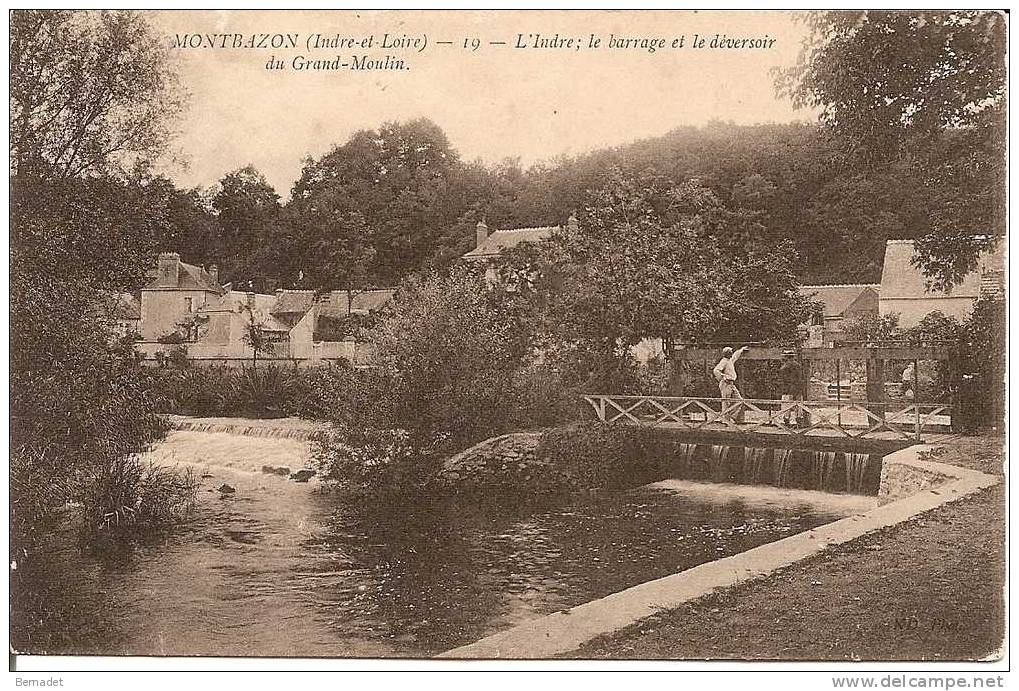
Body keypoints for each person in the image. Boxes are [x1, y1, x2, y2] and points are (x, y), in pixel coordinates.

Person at [713, 345, 749, 421]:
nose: (731, 353)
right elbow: (716, 370)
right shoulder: (724, 361)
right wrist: (724, 377)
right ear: (726, 354)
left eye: (731, 352)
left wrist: (741, 349)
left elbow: (736, 356)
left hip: (731, 384)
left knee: (739, 401)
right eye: (730, 352)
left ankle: (728, 417)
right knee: (726, 403)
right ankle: (725, 420)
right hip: (726, 384)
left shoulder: (730, 360)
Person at [778, 350, 802, 426]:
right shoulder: (798, 365)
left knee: (786, 406)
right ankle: (799, 422)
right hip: (797, 389)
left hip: (787, 390)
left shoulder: (784, 367)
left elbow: (782, 379)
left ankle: (787, 422)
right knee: (798, 406)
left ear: (786, 357)